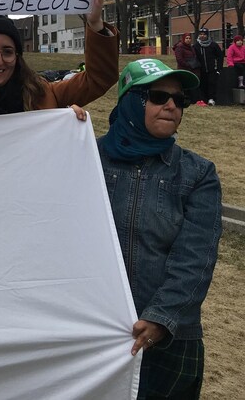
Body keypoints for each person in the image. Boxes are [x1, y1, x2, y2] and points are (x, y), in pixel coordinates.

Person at [97, 58, 221, 400]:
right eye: (157, 97)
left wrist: (161, 318)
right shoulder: (87, 157)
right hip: (96, 333)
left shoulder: (198, 173)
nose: (171, 106)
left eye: (179, 101)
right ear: (131, 102)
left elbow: (196, 257)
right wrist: (64, 129)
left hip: (170, 339)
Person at [193, 28, 222, 106]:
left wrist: (219, 68)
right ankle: (203, 100)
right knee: (203, 84)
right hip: (201, 69)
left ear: (207, 35)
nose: (202, 36)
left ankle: (211, 99)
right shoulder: (196, 46)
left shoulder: (213, 45)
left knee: (211, 84)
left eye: (204, 34)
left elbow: (220, 56)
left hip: (212, 69)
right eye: (201, 34)